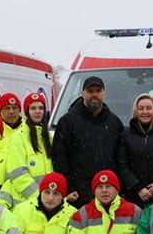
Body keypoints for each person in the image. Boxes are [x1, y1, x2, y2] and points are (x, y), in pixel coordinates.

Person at [52, 76, 125, 207]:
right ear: (82, 93)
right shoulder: (67, 122)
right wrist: (68, 187)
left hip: (109, 193)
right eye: (90, 91)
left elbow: (121, 159)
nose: (94, 94)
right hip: (79, 195)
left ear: (104, 93)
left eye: (98, 90)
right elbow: (60, 158)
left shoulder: (115, 122)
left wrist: (120, 188)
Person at [5, 92, 60, 206]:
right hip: (26, 203)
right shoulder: (18, 137)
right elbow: (18, 173)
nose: (37, 111)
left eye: (41, 108)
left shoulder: (47, 137)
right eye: (33, 108)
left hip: (47, 202)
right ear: (27, 111)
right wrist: (39, 196)